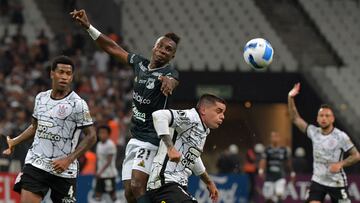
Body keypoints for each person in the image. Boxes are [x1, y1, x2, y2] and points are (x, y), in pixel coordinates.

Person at [70, 9, 180, 203]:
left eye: (169, 49)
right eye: (161, 46)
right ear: (154, 47)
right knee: (129, 193)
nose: (164, 50)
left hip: (153, 137)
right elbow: (112, 48)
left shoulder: (169, 72)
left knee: (138, 186)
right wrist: (88, 27)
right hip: (135, 137)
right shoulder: (139, 63)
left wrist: (168, 82)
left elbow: (173, 81)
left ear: (172, 56)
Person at [2, 55, 97, 203]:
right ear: (52, 74)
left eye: (68, 73)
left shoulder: (78, 104)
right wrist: (14, 141)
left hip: (64, 170)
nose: (64, 77)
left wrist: (68, 159)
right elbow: (35, 126)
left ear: (72, 77)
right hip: (36, 163)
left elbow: (91, 136)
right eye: (60, 72)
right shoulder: (41, 98)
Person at [140, 94, 226, 203]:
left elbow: (193, 156)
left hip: (177, 186)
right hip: (164, 185)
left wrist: (209, 182)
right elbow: (159, 115)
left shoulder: (203, 130)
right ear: (203, 110)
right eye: (219, 111)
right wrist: (170, 148)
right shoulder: (191, 117)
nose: (222, 116)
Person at [288, 82, 360, 203]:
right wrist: (290, 97)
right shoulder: (313, 132)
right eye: (321, 115)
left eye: (327, 116)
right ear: (317, 118)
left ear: (332, 119)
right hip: (318, 181)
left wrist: (341, 164)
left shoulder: (341, 136)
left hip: (336, 182)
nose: (324, 118)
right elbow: (295, 118)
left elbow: (356, 156)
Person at [258, 131, 295, 203]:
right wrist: (261, 170)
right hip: (269, 177)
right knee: (268, 198)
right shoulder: (267, 149)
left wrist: (292, 172)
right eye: (273, 136)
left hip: (280, 176)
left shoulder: (283, 150)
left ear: (279, 138)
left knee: (279, 195)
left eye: (276, 136)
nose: (275, 138)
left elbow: (288, 162)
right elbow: (263, 160)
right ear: (270, 138)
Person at [94, 125, 119, 203]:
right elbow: (98, 159)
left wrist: (100, 172)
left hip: (109, 174)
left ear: (108, 134)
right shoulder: (99, 144)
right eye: (100, 133)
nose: (102, 135)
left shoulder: (110, 145)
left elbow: (109, 161)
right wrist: (96, 171)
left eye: (104, 133)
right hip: (100, 174)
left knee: (112, 194)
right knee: (98, 193)